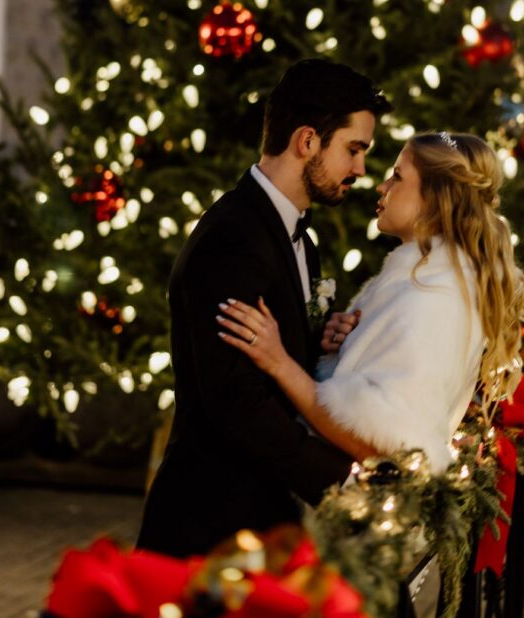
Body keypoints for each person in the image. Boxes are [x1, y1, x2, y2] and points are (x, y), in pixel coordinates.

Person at [136, 59, 392, 558]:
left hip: (263, 517)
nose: (360, 169)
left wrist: (320, 338)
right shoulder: (233, 236)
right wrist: (345, 480)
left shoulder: (299, 235)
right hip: (211, 526)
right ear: (307, 141)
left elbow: (274, 362)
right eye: (354, 149)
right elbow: (235, 401)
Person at [217, 132, 524, 474]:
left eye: (397, 176)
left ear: (436, 197)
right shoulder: (424, 281)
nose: (382, 187)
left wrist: (280, 363)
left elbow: (390, 446)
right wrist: (339, 349)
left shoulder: (433, 300)